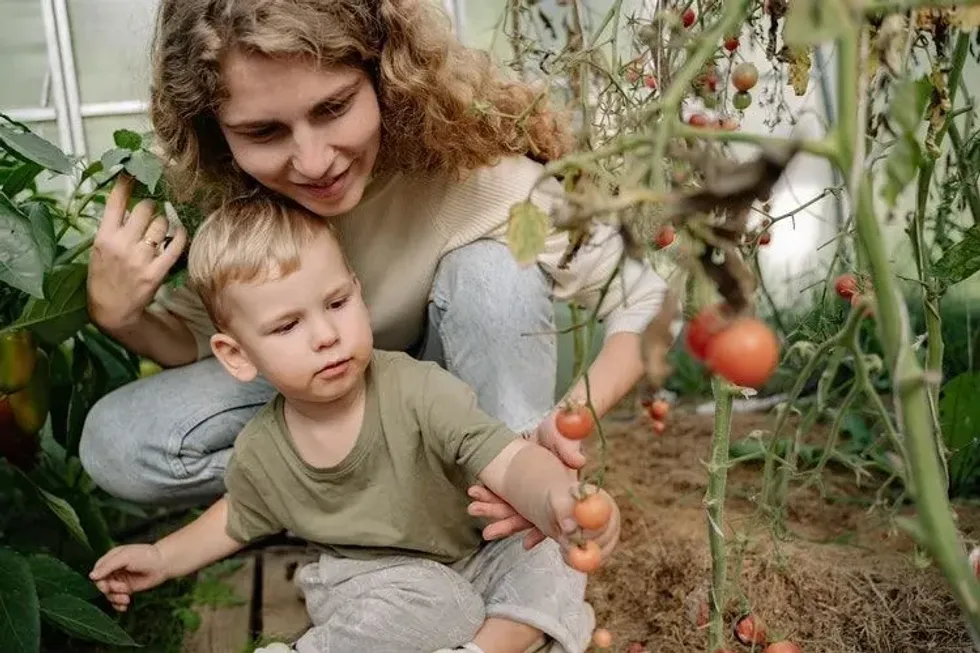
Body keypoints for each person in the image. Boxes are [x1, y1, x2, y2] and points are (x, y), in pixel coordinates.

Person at [80, 0, 674, 569]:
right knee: (116, 443)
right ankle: (365, 506)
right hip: (321, 405)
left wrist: (565, 422)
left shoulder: (471, 173)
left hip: (459, 408)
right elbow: (199, 339)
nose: (313, 162)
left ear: (384, 75)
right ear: (216, 128)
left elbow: (646, 300)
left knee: (494, 276)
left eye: (333, 108)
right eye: (264, 132)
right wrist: (120, 315)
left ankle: (507, 514)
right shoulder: (227, 196)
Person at [89, 197, 620, 653]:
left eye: (338, 303)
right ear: (237, 355)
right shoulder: (264, 446)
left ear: (358, 293)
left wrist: (555, 497)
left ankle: (478, 649)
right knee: (442, 601)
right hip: (364, 579)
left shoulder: (416, 390)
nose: (326, 335)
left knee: (549, 559)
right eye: (288, 325)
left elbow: (506, 458)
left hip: (469, 553)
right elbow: (235, 520)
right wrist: (162, 558)